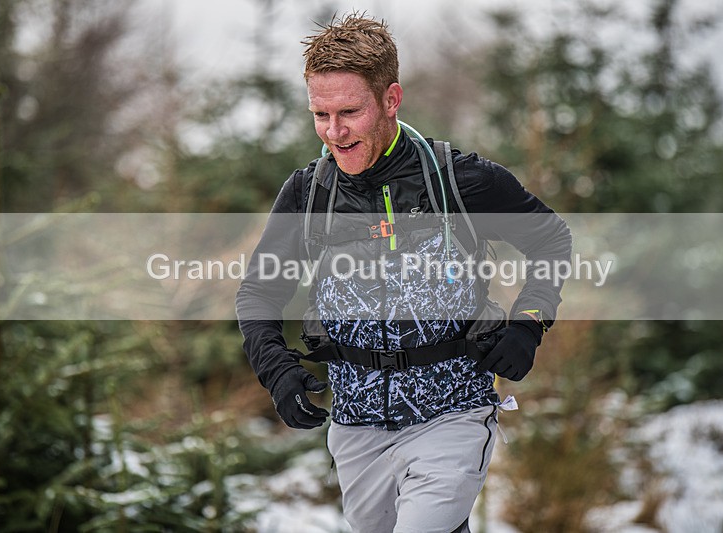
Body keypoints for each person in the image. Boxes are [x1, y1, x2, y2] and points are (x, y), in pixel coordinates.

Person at [236, 13, 572, 533]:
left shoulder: (460, 181)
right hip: (356, 425)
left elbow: (551, 238)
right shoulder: (310, 194)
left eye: (349, 111)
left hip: (452, 413)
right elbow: (260, 290)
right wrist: (275, 369)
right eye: (320, 115)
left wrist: (528, 323)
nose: (334, 132)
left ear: (391, 100)